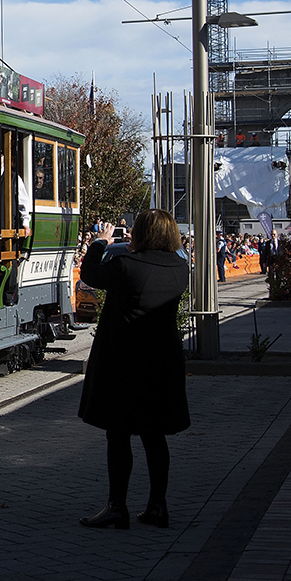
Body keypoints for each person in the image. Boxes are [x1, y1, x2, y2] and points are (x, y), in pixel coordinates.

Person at [77, 210, 190, 530]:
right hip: (163, 365)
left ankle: (117, 506)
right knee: (155, 437)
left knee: (119, 433)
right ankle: (158, 505)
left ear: (139, 233)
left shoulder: (126, 265)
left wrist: (100, 242)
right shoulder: (180, 268)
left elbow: (90, 273)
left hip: (124, 364)